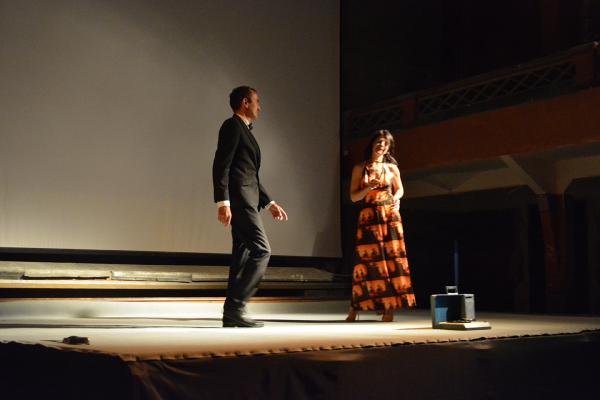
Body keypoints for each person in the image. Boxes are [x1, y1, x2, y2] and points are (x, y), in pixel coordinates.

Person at [212, 86, 288, 328]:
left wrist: (270, 203)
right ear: (245, 102)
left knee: (242, 256)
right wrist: (223, 202)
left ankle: (231, 313)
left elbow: (250, 174)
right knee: (262, 250)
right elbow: (221, 165)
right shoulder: (232, 126)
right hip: (241, 201)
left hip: (249, 199)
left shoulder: (244, 130)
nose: (259, 107)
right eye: (257, 102)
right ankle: (237, 306)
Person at [346, 129, 416, 322]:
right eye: (379, 142)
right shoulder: (360, 168)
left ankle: (388, 307)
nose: (382, 146)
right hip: (369, 216)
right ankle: (355, 308)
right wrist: (368, 187)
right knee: (366, 263)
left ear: (388, 147)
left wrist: (396, 198)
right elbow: (353, 197)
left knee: (391, 261)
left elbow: (400, 189)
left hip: (389, 215)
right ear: (372, 144)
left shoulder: (392, 168)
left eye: (385, 143)